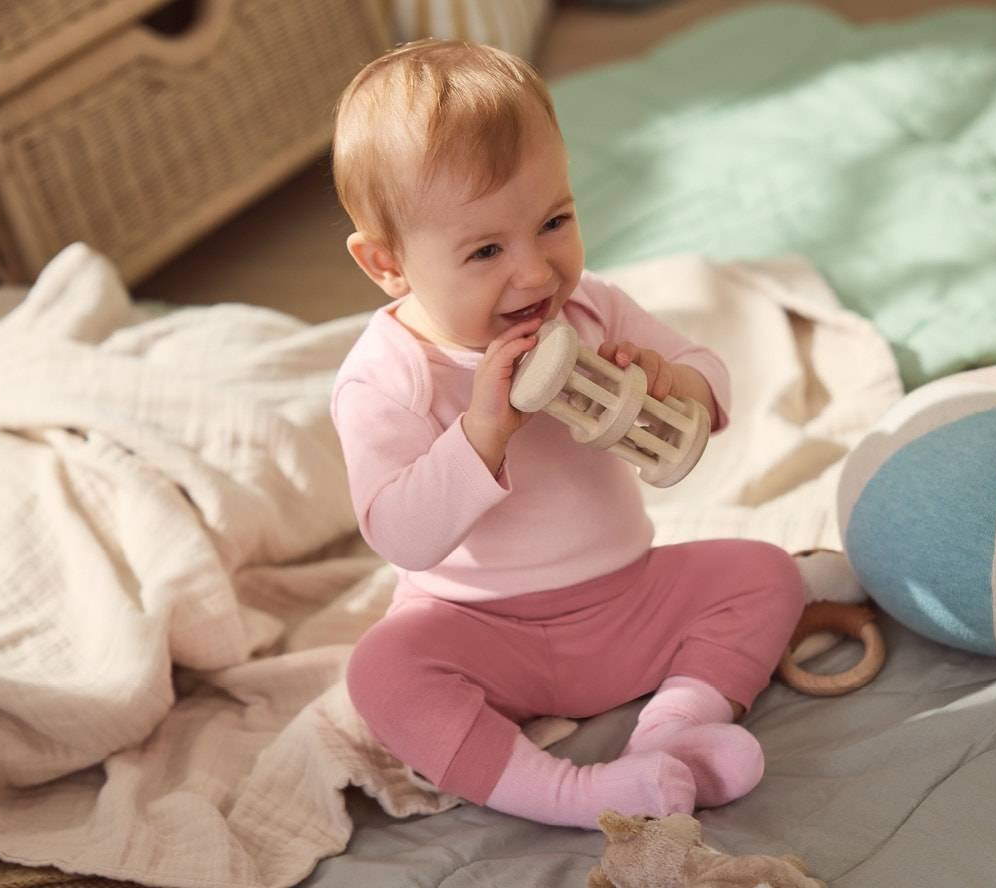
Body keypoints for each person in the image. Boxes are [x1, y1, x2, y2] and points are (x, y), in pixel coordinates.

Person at [329, 38, 804, 829]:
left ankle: (675, 732)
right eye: (486, 250)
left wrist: (668, 378)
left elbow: (709, 378)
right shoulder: (387, 376)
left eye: (553, 221)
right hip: (482, 629)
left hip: (629, 600)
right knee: (383, 672)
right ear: (388, 264)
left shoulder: (592, 309)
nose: (536, 273)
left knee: (766, 574)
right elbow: (400, 535)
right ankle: (573, 795)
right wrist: (481, 434)